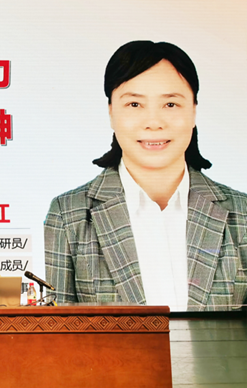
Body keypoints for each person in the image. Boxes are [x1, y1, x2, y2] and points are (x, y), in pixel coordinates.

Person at [44, 40, 247, 312]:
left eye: (171, 104)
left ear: (194, 111)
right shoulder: (69, 215)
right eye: (135, 104)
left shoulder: (241, 213)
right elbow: (58, 331)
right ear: (111, 112)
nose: (153, 122)